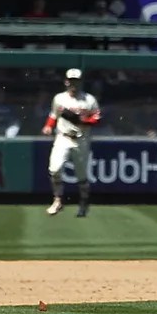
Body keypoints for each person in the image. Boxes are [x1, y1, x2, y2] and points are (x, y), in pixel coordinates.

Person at [43, 67, 101, 217]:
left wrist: (82, 119)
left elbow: (97, 118)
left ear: (81, 82)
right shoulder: (59, 98)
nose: (73, 83)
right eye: (71, 80)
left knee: (81, 175)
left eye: (76, 81)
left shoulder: (89, 99)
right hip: (63, 137)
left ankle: (83, 202)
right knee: (55, 169)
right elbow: (53, 115)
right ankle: (57, 200)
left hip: (81, 139)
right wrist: (48, 126)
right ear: (66, 81)